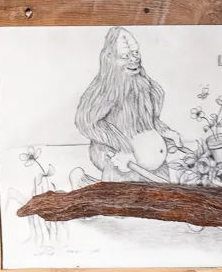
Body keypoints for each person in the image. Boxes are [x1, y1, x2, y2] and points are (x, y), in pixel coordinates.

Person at [72, 27, 187, 186]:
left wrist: (167, 132)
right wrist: (122, 147)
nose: (133, 60)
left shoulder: (143, 84)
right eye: (125, 56)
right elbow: (86, 121)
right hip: (123, 164)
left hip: (156, 170)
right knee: (121, 202)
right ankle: (83, 184)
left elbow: (149, 121)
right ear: (110, 58)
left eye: (135, 53)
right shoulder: (105, 89)